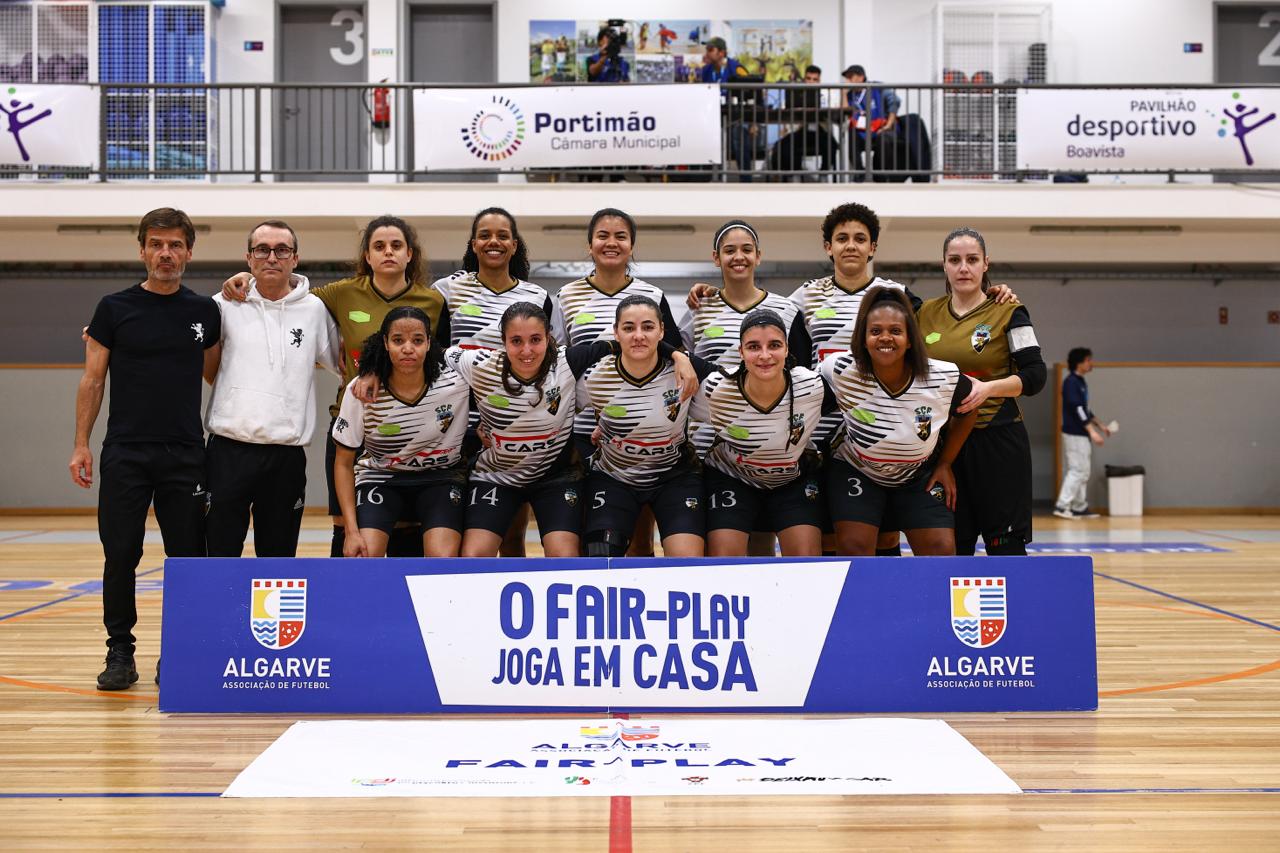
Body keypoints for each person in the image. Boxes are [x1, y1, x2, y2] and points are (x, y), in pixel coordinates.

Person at [221, 215, 446, 559]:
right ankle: (343, 607)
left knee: (406, 525)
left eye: (396, 245)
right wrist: (247, 279)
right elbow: (286, 294)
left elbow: (439, 364)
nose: (388, 252)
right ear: (367, 256)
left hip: (413, 428)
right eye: (379, 246)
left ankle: (401, 606)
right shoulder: (339, 294)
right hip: (352, 424)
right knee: (347, 528)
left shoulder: (433, 302)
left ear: (410, 254)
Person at [70, 207, 220, 691]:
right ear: (142, 250)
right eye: (157, 244)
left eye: (175, 245)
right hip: (126, 453)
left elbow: (218, 373)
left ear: (189, 253)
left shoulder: (204, 312)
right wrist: (81, 445)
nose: (166, 253)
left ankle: (178, 651)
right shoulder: (113, 309)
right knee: (120, 554)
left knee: (186, 558)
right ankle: (120, 653)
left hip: (185, 453)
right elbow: (92, 380)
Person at [203, 220, 342, 558]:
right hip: (227, 451)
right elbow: (202, 366)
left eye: (282, 250)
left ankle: (271, 615)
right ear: (249, 258)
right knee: (219, 554)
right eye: (262, 250)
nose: (272, 257)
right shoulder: (222, 304)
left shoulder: (314, 310)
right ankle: (223, 614)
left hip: (286, 455)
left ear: (295, 259)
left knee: (278, 559)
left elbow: (346, 366)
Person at [917, 227, 1047, 555]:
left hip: (998, 443)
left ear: (985, 264)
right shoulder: (923, 313)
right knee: (951, 548)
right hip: (943, 446)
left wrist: (989, 389)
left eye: (972, 259)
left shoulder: (1009, 312)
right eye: (955, 260)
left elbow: (1035, 376)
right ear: (943, 265)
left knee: (1004, 547)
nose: (963, 267)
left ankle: (1015, 607)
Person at [820, 287, 977, 556]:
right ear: (864, 338)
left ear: (909, 340)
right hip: (858, 470)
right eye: (875, 331)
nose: (885, 338)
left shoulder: (943, 376)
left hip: (919, 475)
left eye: (895, 331)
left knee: (941, 549)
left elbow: (969, 408)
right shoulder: (839, 369)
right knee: (854, 548)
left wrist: (945, 463)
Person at [575, 295, 714, 558]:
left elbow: (737, 394)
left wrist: (682, 356)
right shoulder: (593, 377)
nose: (638, 335)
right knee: (600, 555)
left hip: (674, 475)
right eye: (629, 328)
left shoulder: (685, 374)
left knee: (687, 561)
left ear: (662, 331)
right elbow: (550, 409)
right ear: (615, 332)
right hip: (615, 476)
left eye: (648, 327)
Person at [447, 303, 584, 558]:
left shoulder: (567, 362)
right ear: (503, 342)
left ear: (548, 338)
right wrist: (372, 372)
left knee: (564, 558)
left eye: (535, 340)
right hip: (498, 475)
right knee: (473, 558)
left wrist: (677, 357)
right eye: (516, 341)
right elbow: (435, 356)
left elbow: (620, 347)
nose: (527, 350)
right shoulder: (479, 363)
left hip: (554, 478)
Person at [332, 307, 470, 558]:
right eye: (398, 340)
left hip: (439, 477)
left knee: (442, 560)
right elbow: (343, 463)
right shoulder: (361, 391)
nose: (408, 348)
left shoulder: (457, 379)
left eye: (417, 340)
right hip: (381, 478)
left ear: (429, 343)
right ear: (385, 343)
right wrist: (350, 531)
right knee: (365, 555)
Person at [691, 310, 831, 557]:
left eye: (774, 345)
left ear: (787, 349)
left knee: (806, 562)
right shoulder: (717, 388)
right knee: (724, 560)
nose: (765, 355)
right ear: (741, 352)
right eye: (754, 346)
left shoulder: (812, 386)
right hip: (732, 477)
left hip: (792, 479)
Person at [1054, 347, 1110, 519]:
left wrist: (1100, 425)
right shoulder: (1071, 382)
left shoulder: (1080, 382)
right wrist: (1091, 431)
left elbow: (1085, 409)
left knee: (1084, 471)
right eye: (1088, 360)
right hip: (1074, 433)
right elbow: (1077, 409)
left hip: (1081, 433)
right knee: (1077, 470)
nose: (1091, 363)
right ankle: (1063, 506)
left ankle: (1079, 506)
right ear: (1079, 363)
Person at [701, 36, 760, 180]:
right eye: (706, 50)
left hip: (736, 116)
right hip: (714, 118)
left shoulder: (736, 68)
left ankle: (746, 180)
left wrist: (754, 122)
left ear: (721, 53)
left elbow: (754, 92)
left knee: (737, 136)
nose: (707, 53)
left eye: (710, 50)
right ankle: (714, 179)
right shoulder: (705, 71)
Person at [769, 65, 839, 176]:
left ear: (819, 80)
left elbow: (835, 110)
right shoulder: (795, 94)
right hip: (799, 132)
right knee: (781, 145)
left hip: (820, 132)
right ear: (804, 79)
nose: (811, 82)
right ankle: (792, 175)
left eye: (815, 79)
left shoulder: (827, 94)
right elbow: (784, 110)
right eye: (808, 78)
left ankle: (824, 175)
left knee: (831, 144)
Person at [842, 64, 906, 179]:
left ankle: (882, 177)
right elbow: (846, 113)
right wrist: (843, 94)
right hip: (863, 132)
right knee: (851, 134)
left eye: (851, 77)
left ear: (861, 77)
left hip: (883, 128)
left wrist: (889, 124)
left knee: (883, 138)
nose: (848, 80)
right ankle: (860, 175)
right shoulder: (850, 95)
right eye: (847, 77)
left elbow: (895, 101)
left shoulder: (877, 87)